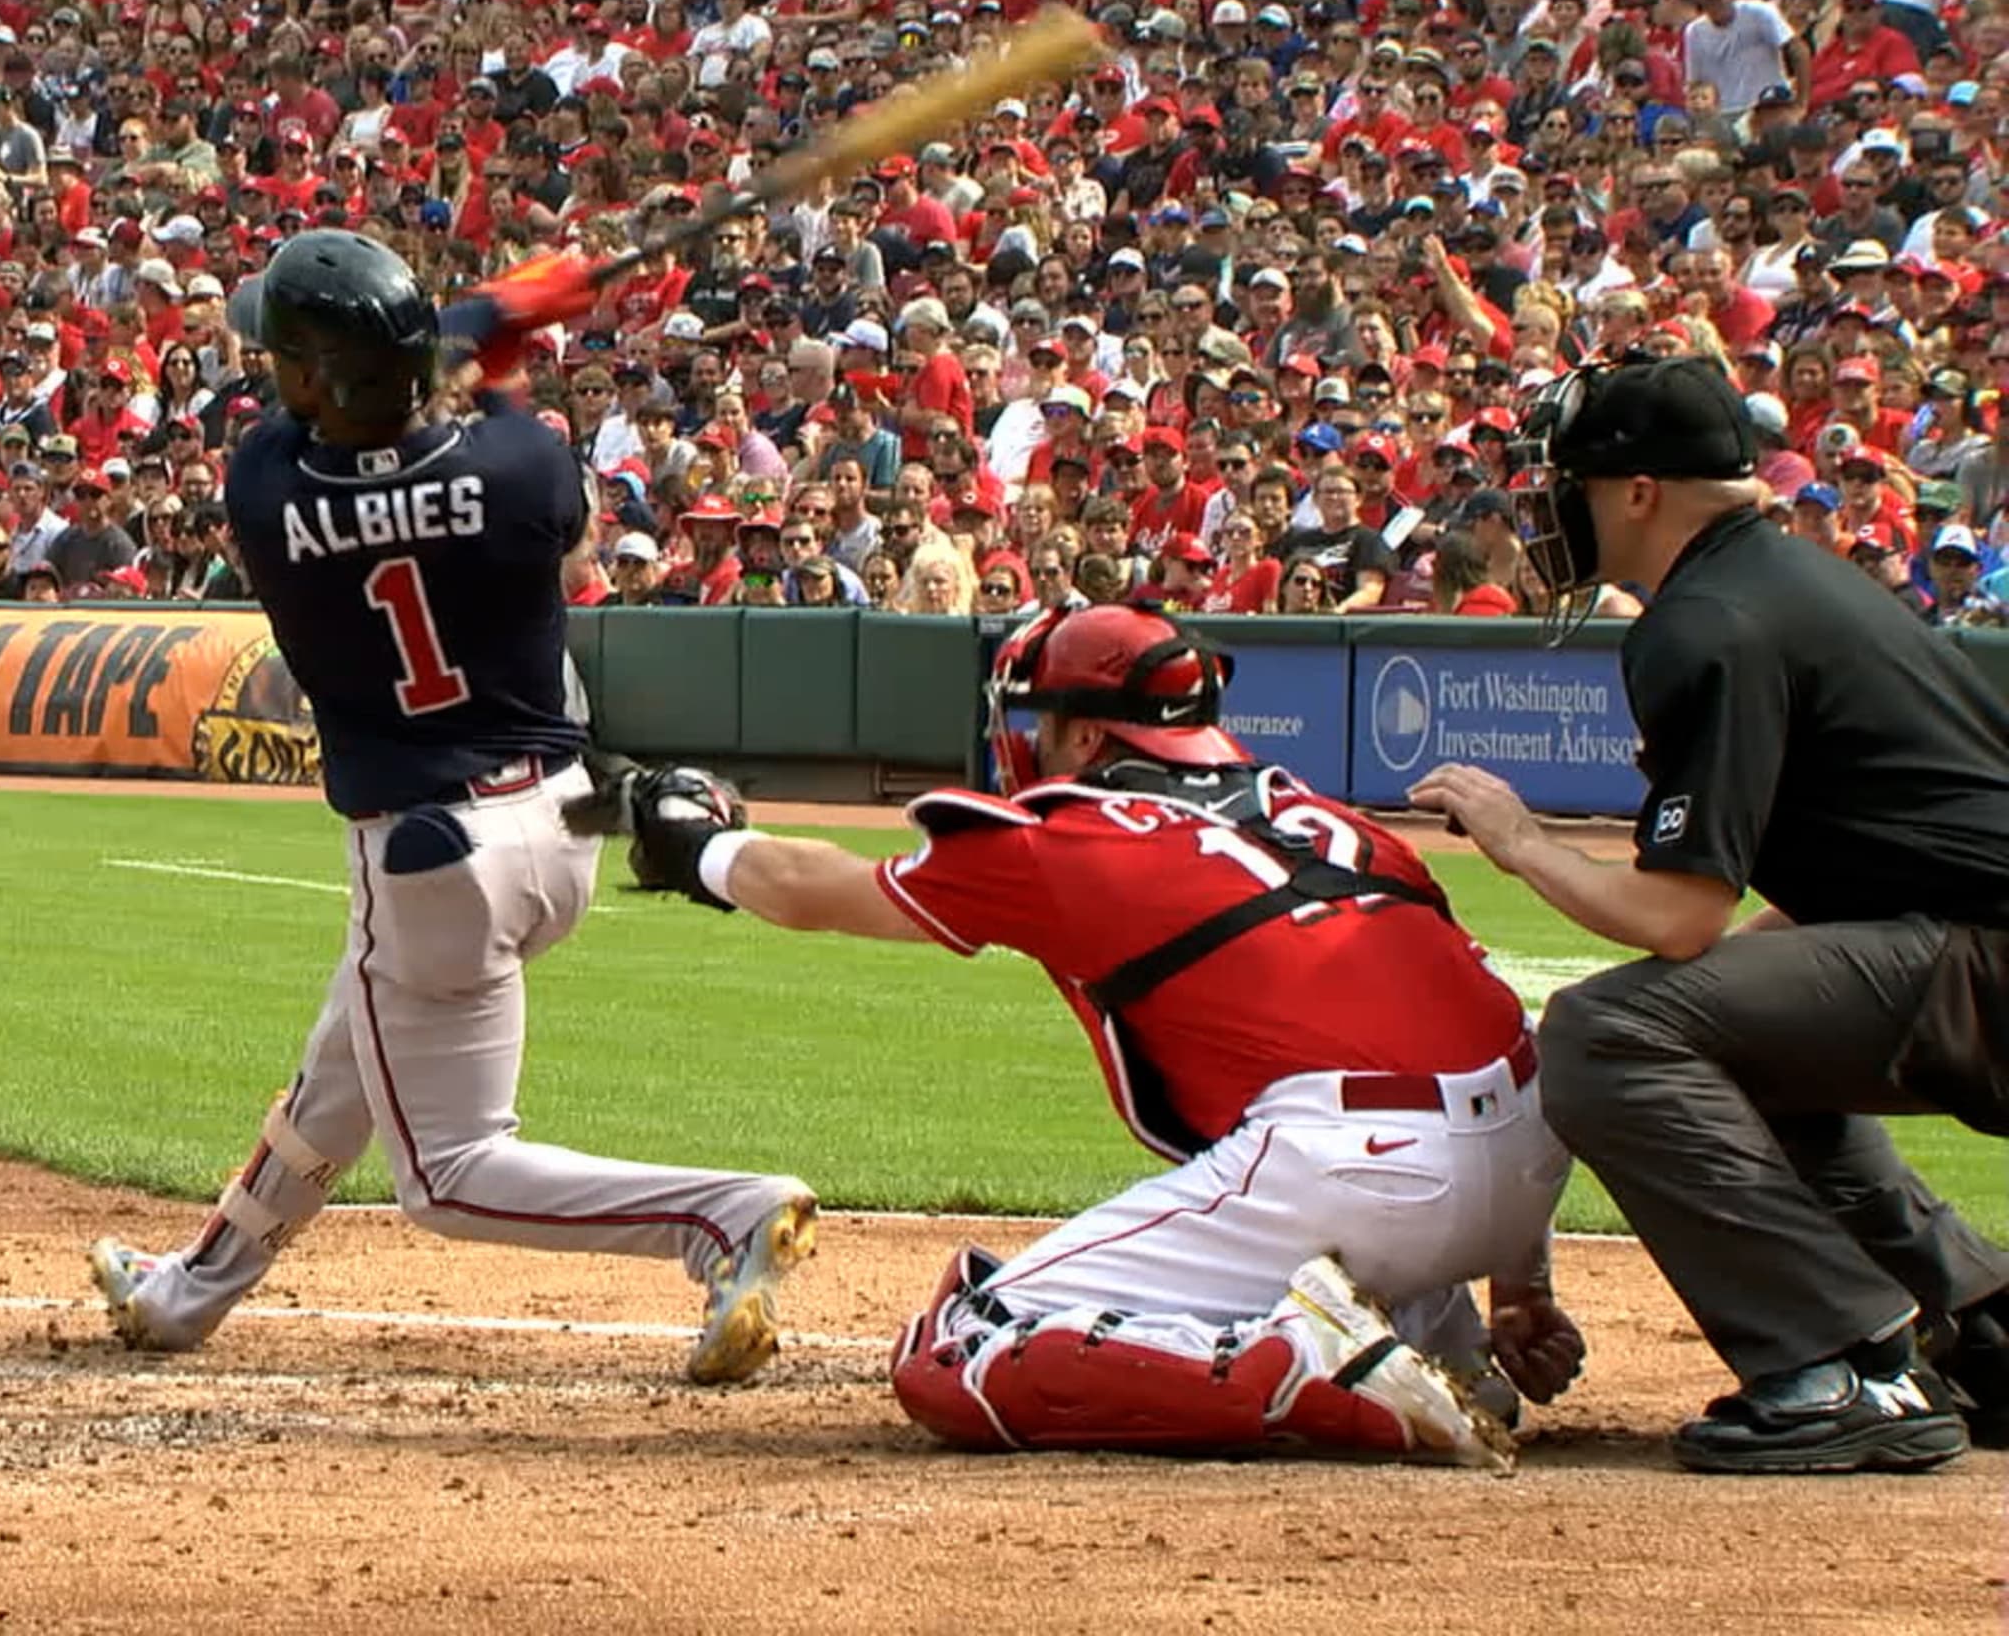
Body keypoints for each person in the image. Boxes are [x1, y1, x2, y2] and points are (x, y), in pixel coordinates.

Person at [88, 231, 817, 1386]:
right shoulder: (527, 473)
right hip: (564, 827)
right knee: (343, 1070)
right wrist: (490, 331)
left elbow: (356, 416)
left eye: (287, 356)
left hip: (430, 863)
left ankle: (722, 1216)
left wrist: (482, 320)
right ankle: (188, 1296)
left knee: (450, 1174)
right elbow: (480, 424)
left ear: (325, 379)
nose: (268, 369)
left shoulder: (268, 493)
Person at [605, 603, 1573, 1466]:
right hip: (1524, 1163)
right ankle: (1437, 1348)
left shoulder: (1071, 832)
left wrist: (699, 843)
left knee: (956, 1347)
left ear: (1080, 730)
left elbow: (813, 890)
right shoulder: (1329, 817)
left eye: (1041, 720)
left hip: (1355, 1172)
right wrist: (1518, 1285)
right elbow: (1495, 1028)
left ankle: (1296, 1365)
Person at [1411, 354, 2009, 1474]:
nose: (1555, 510)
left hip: (1983, 962)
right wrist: (1727, 994)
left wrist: (1522, 838)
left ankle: (1832, 1363)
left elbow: (1678, 917)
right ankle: (1984, 1320)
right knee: (1718, 1031)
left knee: (1606, 1032)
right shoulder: (1798, 581)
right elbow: (1865, 876)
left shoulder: (1708, 620)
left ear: (1640, 492)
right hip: (1974, 945)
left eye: (1576, 484)